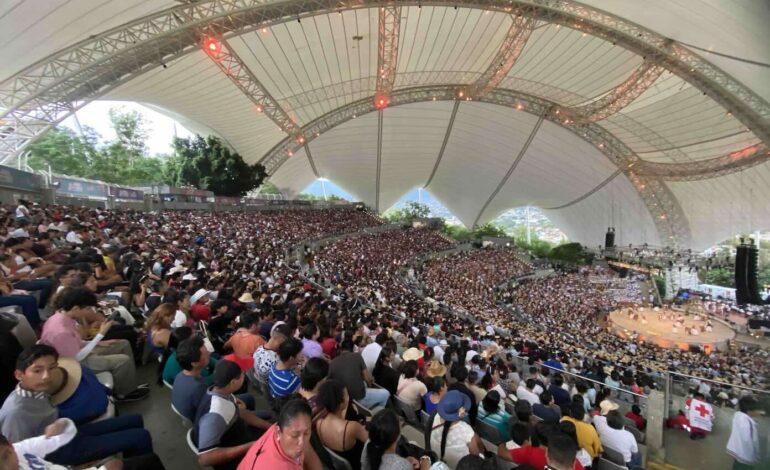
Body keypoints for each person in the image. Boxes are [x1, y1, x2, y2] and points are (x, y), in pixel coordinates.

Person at [0, 345, 155, 466]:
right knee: (141, 437)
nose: (46, 376)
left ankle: (133, 460)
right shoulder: (15, 413)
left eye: (52, 367)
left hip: (67, 433)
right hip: (61, 452)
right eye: (37, 370)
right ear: (19, 375)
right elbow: (17, 458)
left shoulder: (36, 389)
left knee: (135, 419)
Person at [40, 287, 148, 402]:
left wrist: (97, 342)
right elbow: (77, 357)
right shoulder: (60, 331)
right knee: (123, 361)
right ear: (76, 308)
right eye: (87, 308)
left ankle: (127, 382)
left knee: (123, 344)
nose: (89, 311)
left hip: (77, 353)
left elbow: (74, 342)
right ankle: (124, 394)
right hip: (74, 364)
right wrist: (100, 335)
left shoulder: (63, 317)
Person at [194, 360, 270, 470]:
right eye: (242, 376)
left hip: (237, 432)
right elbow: (205, 459)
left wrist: (268, 426)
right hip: (231, 453)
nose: (244, 377)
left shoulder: (218, 390)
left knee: (269, 420)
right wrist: (250, 446)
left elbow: (240, 413)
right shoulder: (215, 415)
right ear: (233, 382)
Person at [0, 420, 166, 470]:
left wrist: (61, 424)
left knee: (149, 460)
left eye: (6, 456)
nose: (6, 469)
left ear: (10, 445)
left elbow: (62, 437)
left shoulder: (20, 449)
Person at [237, 399, 316, 470]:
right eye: (294, 435)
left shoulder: (280, 428)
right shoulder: (280, 467)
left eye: (306, 433)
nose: (302, 442)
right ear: (278, 432)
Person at [315, 380, 369, 470]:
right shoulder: (351, 427)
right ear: (341, 404)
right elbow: (371, 441)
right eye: (347, 395)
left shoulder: (319, 423)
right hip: (358, 464)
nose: (348, 397)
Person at [429, 390, 484, 468]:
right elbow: (475, 455)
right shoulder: (466, 431)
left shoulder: (436, 416)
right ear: (461, 412)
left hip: (440, 459)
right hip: (460, 466)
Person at [362, 408, 431, 470]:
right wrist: (425, 466)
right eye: (400, 424)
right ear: (397, 436)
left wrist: (404, 460)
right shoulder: (401, 465)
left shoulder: (369, 444)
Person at [329, 339, 389, 410]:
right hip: (358, 399)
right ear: (353, 348)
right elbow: (367, 378)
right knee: (386, 393)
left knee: (364, 384)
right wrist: (370, 385)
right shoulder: (357, 356)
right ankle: (378, 413)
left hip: (344, 399)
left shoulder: (332, 362)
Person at [171, 336, 214, 421]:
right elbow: (210, 411)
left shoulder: (180, 375)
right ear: (195, 363)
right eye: (206, 354)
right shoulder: (199, 388)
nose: (209, 353)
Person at [726, 396, 763, 469]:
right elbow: (752, 440)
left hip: (738, 452)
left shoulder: (738, 415)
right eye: (757, 410)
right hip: (746, 456)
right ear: (749, 410)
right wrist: (757, 455)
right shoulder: (749, 422)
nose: (759, 412)